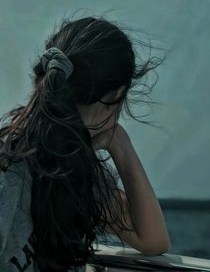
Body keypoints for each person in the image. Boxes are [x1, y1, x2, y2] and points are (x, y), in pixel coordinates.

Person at [0, 15, 171, 272]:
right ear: (116, 95)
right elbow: (153, 241)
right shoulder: (10, 169)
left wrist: (121, 146)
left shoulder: (76, 169)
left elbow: (152, 240)